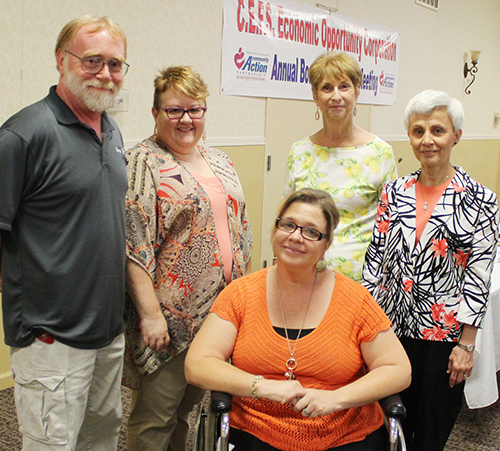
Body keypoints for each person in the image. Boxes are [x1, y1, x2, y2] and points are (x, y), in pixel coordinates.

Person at [185, 188, 411, 451]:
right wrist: (264, 387)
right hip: (258, 429)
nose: (295, 237)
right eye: (288, 225)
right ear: (275, 229)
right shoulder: (240, 293)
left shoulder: (355, 299)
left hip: (344, 432)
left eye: (311, 231)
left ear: (326, 245)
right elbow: (197, 364)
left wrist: (336, 399)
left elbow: (398, 369)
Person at [0, 15, 129, 450]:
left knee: (100, 440)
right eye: (92, 60)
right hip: (50, 336)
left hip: (107, 331)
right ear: (61, 59)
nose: (105, 74)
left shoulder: (110, 131)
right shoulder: (24, 133)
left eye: (115, 64)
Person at [124, 65, 253, 451]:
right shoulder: (143, 162)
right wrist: (150, 315)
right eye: (174, 110)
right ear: (155, 113)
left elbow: (241, 227)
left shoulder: (219, 160)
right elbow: (134, 245)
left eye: (195, 110)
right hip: (169, 319)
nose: (186, 119)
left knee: (189, 411)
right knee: (155, 416)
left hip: (217, 314)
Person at [362, 90, 499, 451]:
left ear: (456, 135)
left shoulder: (480, 199)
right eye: (417, 130)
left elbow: (479, 276)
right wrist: (365, 329)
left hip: (444, 339)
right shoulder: (394, 192)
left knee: (428, 436)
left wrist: (467, 345)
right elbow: (375, 263)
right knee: (386, 429)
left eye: (437, 130)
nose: (427, 140)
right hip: (390, 332)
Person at [285, 52, 397, 282]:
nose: (336, 96)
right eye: (327, 88)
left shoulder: (380, 153)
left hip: (364, 282)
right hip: (306, 277)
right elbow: (288, 223)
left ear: (357, 91)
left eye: (344, 86)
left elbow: (392, 226)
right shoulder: (299, 152)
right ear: (315, 96)